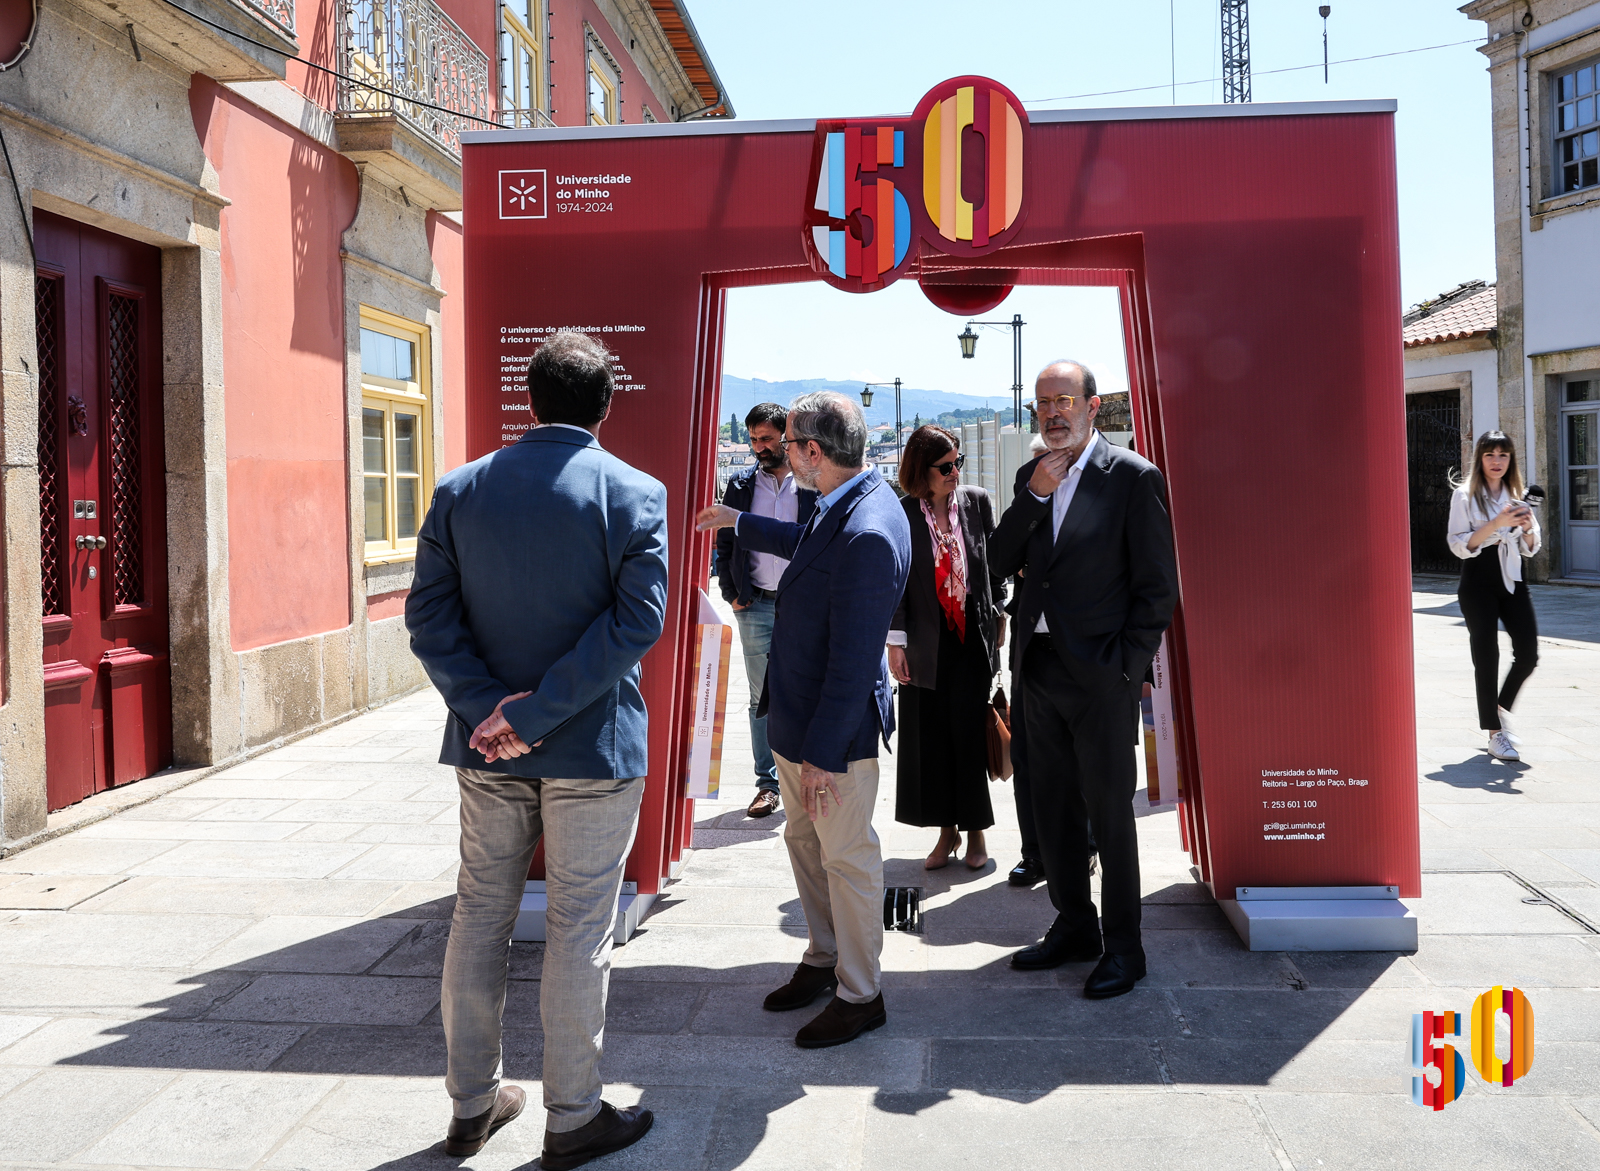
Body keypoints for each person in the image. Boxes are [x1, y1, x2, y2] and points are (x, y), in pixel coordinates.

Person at [406, 329, 667, 1168]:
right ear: (604, 405)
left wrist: (494, 710)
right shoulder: (635, 493)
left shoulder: (458, 490)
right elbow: (637, 622)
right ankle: (573, 1114)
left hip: (488, 750)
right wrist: (543, 709)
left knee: (478, 917)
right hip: (592, 745)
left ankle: (470, 1107)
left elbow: (428, 618)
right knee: (578, 929)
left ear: (530, 399)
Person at [695, 391, 911, 1048]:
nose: (781, 454)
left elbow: (851, 662)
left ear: (814, 451)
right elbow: (808, 544)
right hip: (799, 720)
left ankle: (860, 991)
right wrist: (740, 520)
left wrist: (821, 753)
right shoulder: (847, 501)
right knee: (806, 843)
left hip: (830, 736)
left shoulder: (869, 527)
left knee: (845, 857)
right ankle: (824, 958)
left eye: (787, 444)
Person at [988, 359, 1177, 1000]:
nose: (1053, 412)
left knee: (1109, 815)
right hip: (1037, 671)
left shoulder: (1132, 478)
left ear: (1093, 407)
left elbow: (1157, 589)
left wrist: (1127, 668)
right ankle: (1075, 925)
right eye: (1043, 403)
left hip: (1101, 678)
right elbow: (1000, 560)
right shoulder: (1030, 475)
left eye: (1065, 400)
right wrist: (1034, 495)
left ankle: (1126, 948)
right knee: (1053, 810)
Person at [886, 426, 1007, 871]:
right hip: (923, 646)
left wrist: (1001, 612)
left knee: (970, 738)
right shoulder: (902, 514)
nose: (955, 472)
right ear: (922, 470)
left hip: (970, 642)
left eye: (958, 462)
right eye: (945, 466)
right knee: (930, 741)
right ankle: (946, 834)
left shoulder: (977, 502)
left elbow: (996, 564)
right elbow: (894, 584)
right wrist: (895, 642)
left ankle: (976, 834)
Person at [714, 403, 819, 818]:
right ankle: (768, 784)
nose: (759, 446)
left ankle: (807, 774)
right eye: (754, 439)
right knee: (762, 697)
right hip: (755, 603)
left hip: (802, 604)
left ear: (785, 437)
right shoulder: (740, 486)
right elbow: (726, 541)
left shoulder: (811, 483)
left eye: (767, 438)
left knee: (806, 687)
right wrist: (731, 591)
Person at [1447, 430, 1541, 762]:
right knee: (1486, 657)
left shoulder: (1518, 494)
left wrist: (1527, 526)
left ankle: (1497, 706)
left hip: (1513, 578)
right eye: (1490, 455)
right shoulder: (1464, 496)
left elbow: (1532, 547)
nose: (1497, 461)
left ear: (1510, 459)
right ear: (1480, 459)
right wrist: (1495, 523)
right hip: (1478, 581)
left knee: (1528, 654)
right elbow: (1459, 545)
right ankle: (1495, 735)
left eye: (1503, 454)